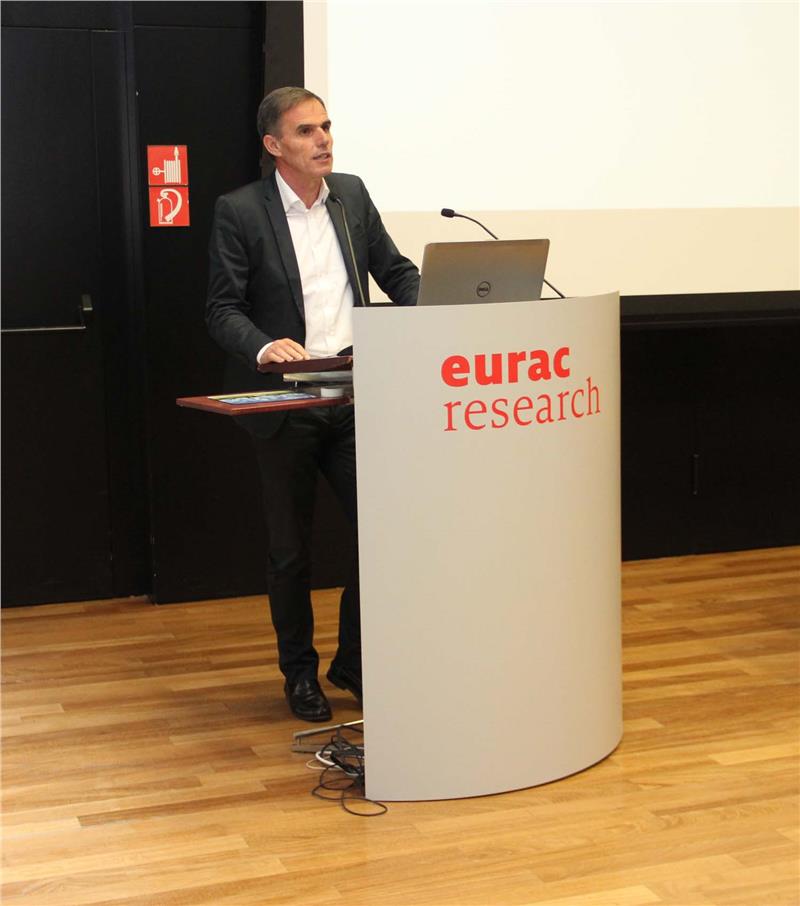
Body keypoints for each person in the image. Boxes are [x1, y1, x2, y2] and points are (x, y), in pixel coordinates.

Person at [206, 87, 419, 722]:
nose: (323, 139)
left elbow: (395, 271)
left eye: (326, 126)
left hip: (354, 395)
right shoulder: (241, 211)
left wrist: (436, 311)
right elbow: (221, 308)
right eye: (306, 131)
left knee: (380, 535)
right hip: (286, 402)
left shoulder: (350, 195)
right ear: (274, 145)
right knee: (291, 551)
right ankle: (299, 675)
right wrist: (264, 345)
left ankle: (352, 663)